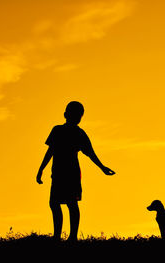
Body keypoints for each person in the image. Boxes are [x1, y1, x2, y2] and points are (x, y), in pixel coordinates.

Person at [36, 101, 115, 242]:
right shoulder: (64, 131)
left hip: (66, 173)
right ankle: (62, 236)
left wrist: (102, 167)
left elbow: (89, 153)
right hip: (62, 172)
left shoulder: (67, 131)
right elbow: (51, 151)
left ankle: (66, 237)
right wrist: (41, 169)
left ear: (66, 114)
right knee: (61, 203)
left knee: (64, 203)